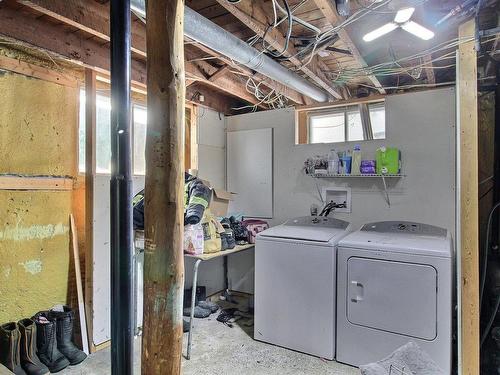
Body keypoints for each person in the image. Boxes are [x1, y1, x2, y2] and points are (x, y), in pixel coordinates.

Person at [133, 172, 211, 230]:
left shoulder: (192, 184)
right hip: (152, 221)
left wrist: (193, 214)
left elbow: (200, 194)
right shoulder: (157, 185)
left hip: (181, 220)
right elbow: (138, 201)